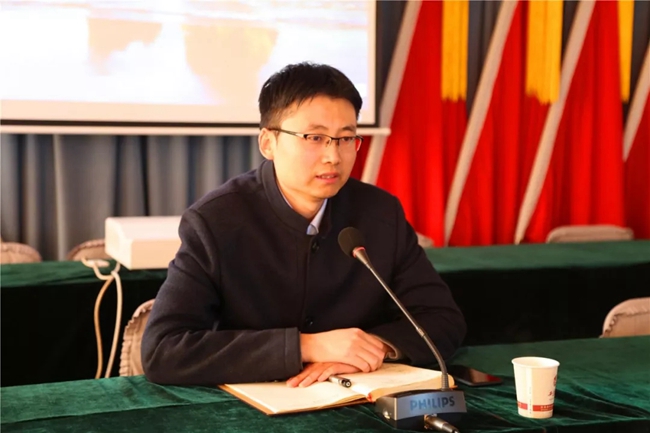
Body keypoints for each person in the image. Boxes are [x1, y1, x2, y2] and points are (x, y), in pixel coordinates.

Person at [141, 62, 466, 388]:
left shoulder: (380, 214)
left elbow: (443, 319)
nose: (333, 156)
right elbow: (163, 350)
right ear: (268, 143)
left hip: (354, 397)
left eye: (345, 138)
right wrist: (306, 346)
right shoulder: (216, 221)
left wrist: (372, 348)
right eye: (315, 137)